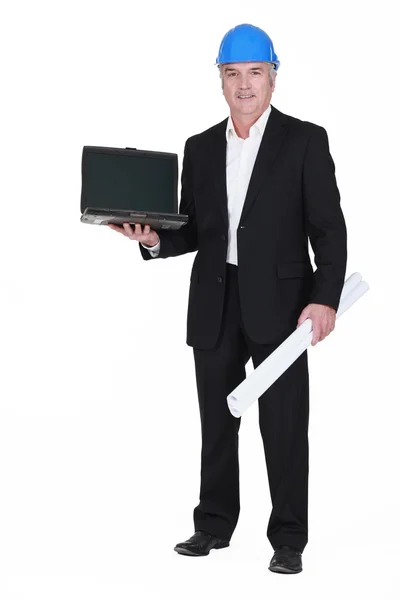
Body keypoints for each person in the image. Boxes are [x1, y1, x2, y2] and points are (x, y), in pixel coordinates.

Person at [108, 23, 347, 574]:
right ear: (220, 80)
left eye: (255, 74)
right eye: (233, 74)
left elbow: (329, 230)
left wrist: (324, 297)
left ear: (272, 78)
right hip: (216, 300)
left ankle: (288, 539)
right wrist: (153, 240)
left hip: (285, 305)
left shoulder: (306, 141)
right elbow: (193, 229)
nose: (244, 85)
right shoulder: (198, 147)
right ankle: (212, 525)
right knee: (216, 421)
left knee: (284, 424)